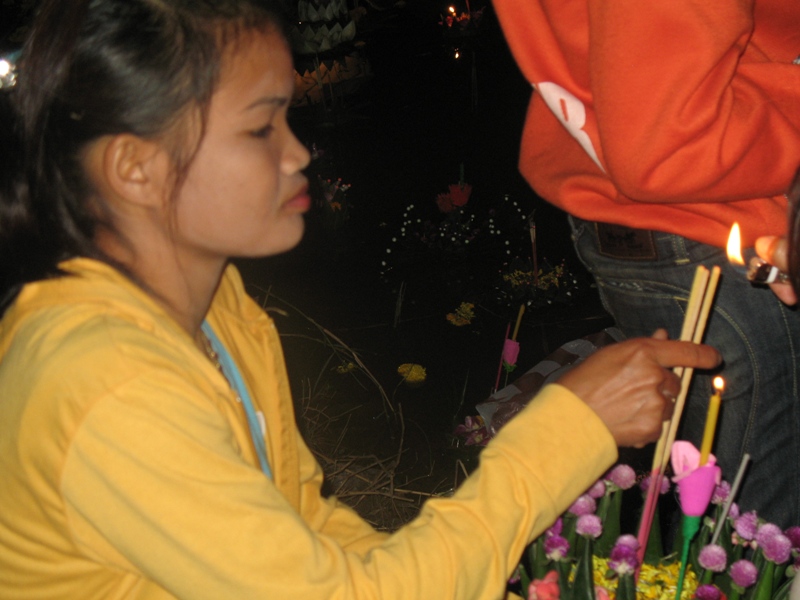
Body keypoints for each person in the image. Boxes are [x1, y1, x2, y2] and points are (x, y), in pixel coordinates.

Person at [0, 1, 721, 597]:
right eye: (260, 127)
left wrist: (449, 568)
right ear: (136, 167)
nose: (298, 153)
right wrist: (570, 425)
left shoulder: (219, 310)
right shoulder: (109, 383)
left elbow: (303, 519)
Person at [493, 0, 800, 529]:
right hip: (718, 223)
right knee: (758, 529)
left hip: (656, 222)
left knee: (721, 512)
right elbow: (667, 145)